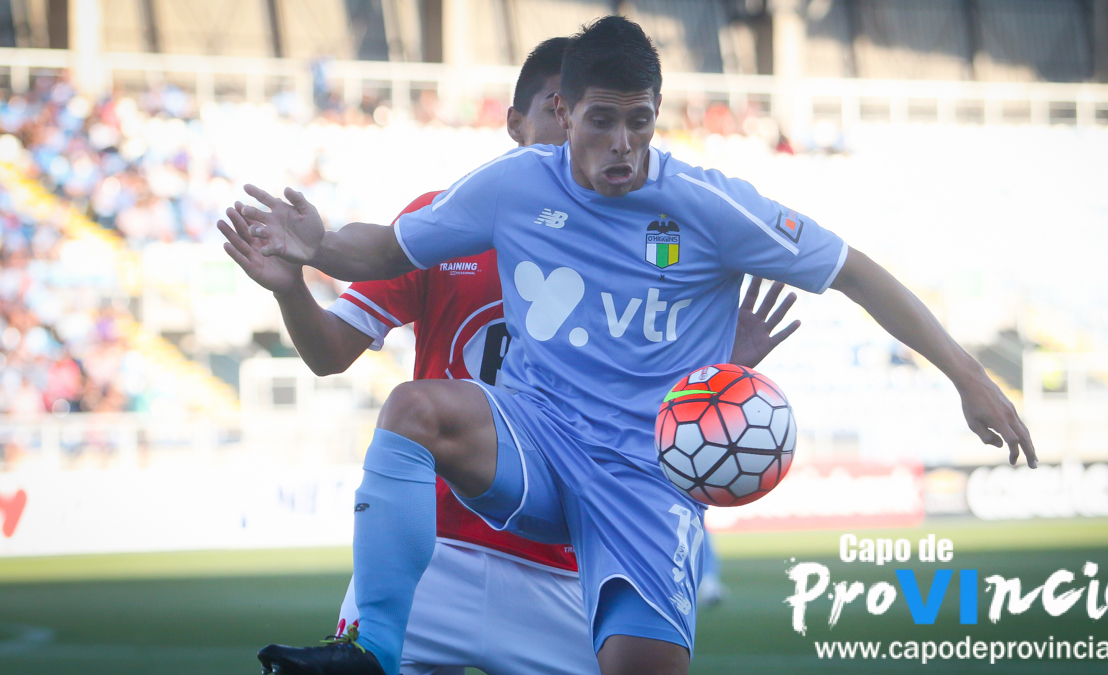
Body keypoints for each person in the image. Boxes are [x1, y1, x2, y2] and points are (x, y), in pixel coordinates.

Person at [227, 17, 1036, 675]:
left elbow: (852, 270)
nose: (622, 141)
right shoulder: (512, 186)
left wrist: (967, 376)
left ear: (657, 114)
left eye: (638, 120)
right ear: (565, 113)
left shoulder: (708, 204)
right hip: (537, 438)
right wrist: (315, 246)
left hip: (644, 478)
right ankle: (370, 650)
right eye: (602, 120)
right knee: (412, 409)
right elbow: (384, 251)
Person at [222, 36, 798, 675]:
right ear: (516, 123)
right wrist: (292, 290)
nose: (577, 136)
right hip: (431, 556)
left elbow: (643, 412)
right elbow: (330, 353)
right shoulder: (433, 228)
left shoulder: (637, 247)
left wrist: (720, 367)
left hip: (567, 571)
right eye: (558, 113)